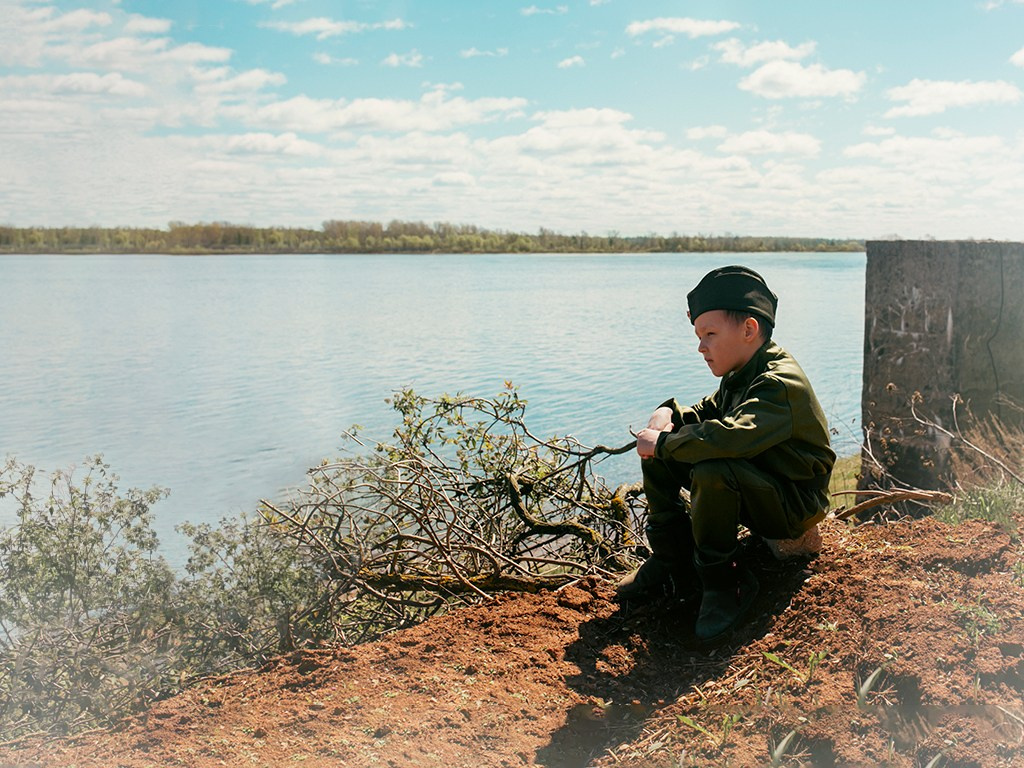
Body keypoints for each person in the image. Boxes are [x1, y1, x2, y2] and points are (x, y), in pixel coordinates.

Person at [618, 265, 835, 644]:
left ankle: (725, 583)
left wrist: (666, 443)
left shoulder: (778, 383)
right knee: (667, 446)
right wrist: (668, 414)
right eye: (699, 336)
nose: (701, 346)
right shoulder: (743, 371)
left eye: (710, 335)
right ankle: (672, 557)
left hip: (792, 505)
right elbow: (707, 413)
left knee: (711, 466)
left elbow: (730, 438)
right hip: (762, 482)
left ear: (749, 330)